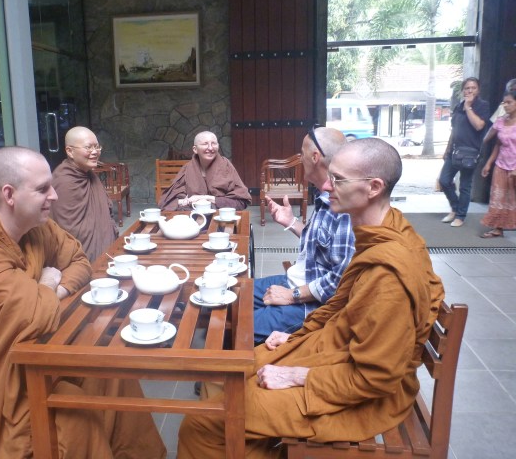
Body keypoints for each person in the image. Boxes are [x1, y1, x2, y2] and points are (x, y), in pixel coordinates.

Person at [177, 138, 444, 459]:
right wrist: (296, 336)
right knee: (224, 377)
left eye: (339, 180)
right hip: (333, 351)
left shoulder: (389, 277)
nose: (327, 186)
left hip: (359, 395)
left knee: (203, 421)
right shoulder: (385, 229)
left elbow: (375, 379)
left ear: (374, 187)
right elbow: (341, 307)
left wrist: (294, 374)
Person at [0, 147, 166, 459]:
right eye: (43, 189)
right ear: (9, 194)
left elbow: (79, 261)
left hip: (25, 349)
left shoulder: (35, 226)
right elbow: (37, 314)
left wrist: (51, 288)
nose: (54, 196)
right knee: (74, 420)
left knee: (111, 373)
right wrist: (46, 284)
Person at [253, 126, 354, 344]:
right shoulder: (325, 196)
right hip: (295, 280)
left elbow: (341, 280)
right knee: (235, 293)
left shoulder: (344, 206)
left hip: (310, 305)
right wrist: (291, 222)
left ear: (315, 157)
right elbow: (320, 245)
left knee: (240, 327)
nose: (300, 158)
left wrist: (292, 295)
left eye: (302, 153)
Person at [50, 126, 118, 261]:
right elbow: (69, 230)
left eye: (97, 147)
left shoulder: (89, 174)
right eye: (88, 147)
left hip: (107, 254)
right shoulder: (64, 181)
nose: (95, 152)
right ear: (70, 151)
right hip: (81, 259)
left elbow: (105, 210)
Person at [439, 77, 490, 227]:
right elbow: (454, 130)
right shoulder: (458, 107)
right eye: (467, 88)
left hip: (470, 153)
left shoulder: (482, 105)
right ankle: (455, 208)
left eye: (473, 88)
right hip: (454, 151)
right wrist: (447, 149)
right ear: (463, 91)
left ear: (478, 90)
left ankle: (460, 216)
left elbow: (479, 125)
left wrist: (468, 107)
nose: (470, 91)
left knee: (465, 186)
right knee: (444, 180)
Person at [158, 131, 252, 211]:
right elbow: (165, 202)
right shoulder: (187, 169)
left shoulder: (226, 166)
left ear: (218, 146)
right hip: (193, 216)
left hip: (221, 217)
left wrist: (206, 198)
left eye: (213, 143)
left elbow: (242, 201)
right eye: (205, 144)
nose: (210, 148)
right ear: (195, 149)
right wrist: (186, 201)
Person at [480, 89, 516, 238]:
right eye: (504, 103)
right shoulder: (501, 121)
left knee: (512, 197)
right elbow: (492, 142)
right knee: (498, 196)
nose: (506, 105)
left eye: (509, 102)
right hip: (501, 164)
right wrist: (488, 163)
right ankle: (497, 228)